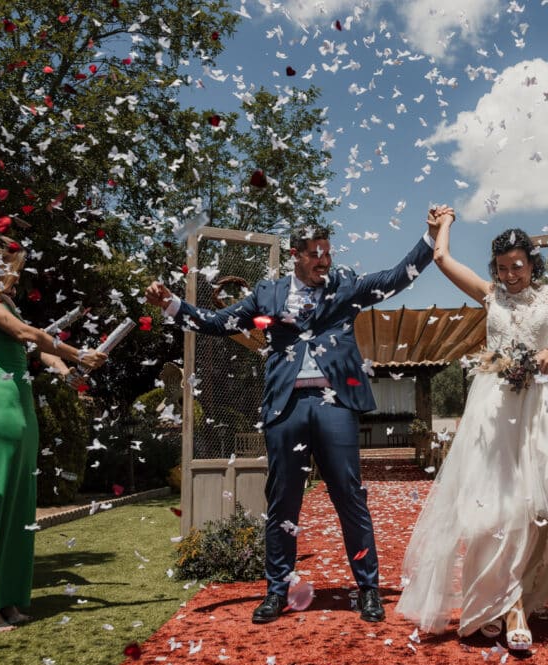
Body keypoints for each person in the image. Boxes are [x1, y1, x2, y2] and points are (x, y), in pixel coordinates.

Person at [145, 210, 447, 624]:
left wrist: (430, 236)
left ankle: (368, 589)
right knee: (282, 503)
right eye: (315, 255)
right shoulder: (267, 295)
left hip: (335, 405)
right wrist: (172, 305)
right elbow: (218, 322)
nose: (324, 261)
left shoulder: (345, 287)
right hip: (285, 408)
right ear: (296, 255)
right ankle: (276, 591)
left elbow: (395, 277)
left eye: (327, 253)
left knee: (350, 497)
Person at [396, 226, 548, 652]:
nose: (510, 275)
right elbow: (442, 260)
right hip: (494, 408)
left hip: (542, 408)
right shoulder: (490, 294)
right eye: (502, 268)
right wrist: (442, 227)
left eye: (518, 266)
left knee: (539, 511)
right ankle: (503, 605)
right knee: (494, 510)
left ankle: (514, 598)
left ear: (532, 262)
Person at [0, 236, 106, 632]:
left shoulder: (1, 299)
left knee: (19, 508)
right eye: (11, 268)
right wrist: (77, 353)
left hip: (19, 407)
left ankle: (8, 599)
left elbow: (35, 348)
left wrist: (70, 371)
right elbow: (21, 333)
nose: (14, 278)